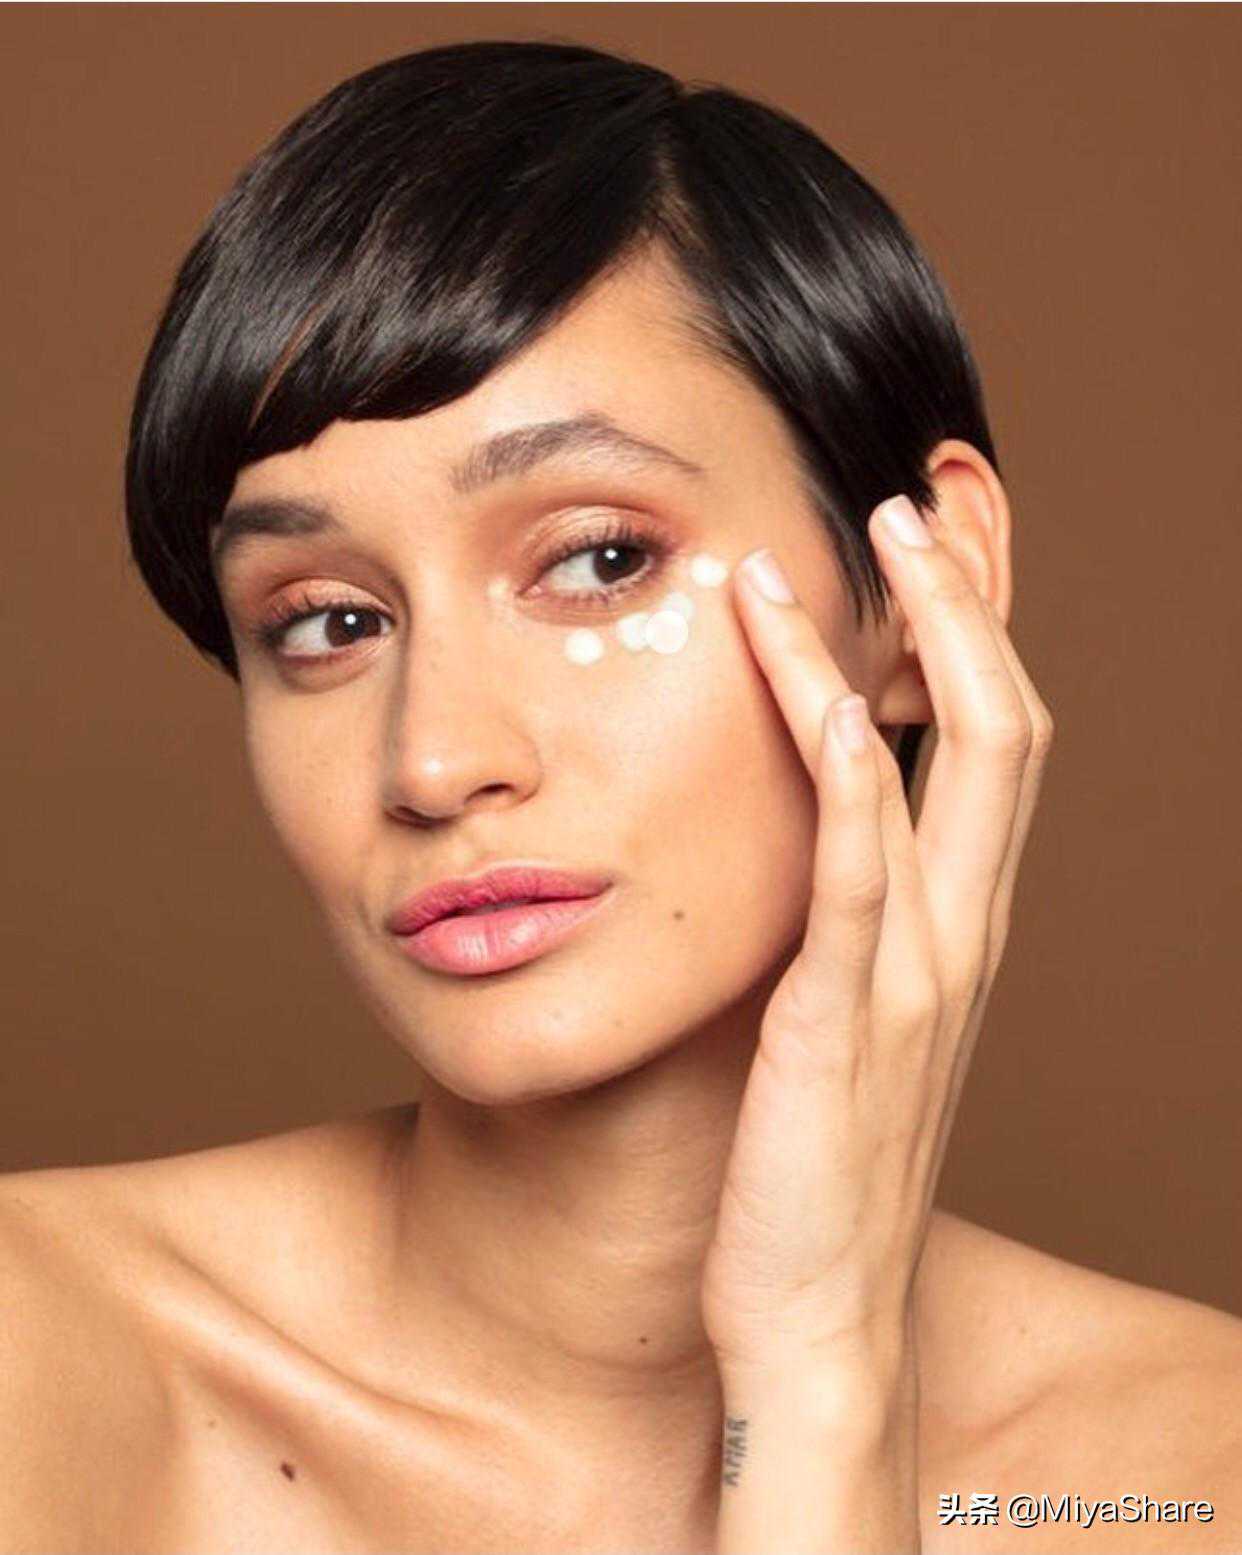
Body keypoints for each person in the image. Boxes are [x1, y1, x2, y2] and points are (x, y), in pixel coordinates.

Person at [3, 38, 1239, 1554]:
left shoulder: (1185, 1472)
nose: (432, 761)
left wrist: (817, 1379)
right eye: (328, 621)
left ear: (928, 583)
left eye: (599, 559)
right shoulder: (39, 1363)